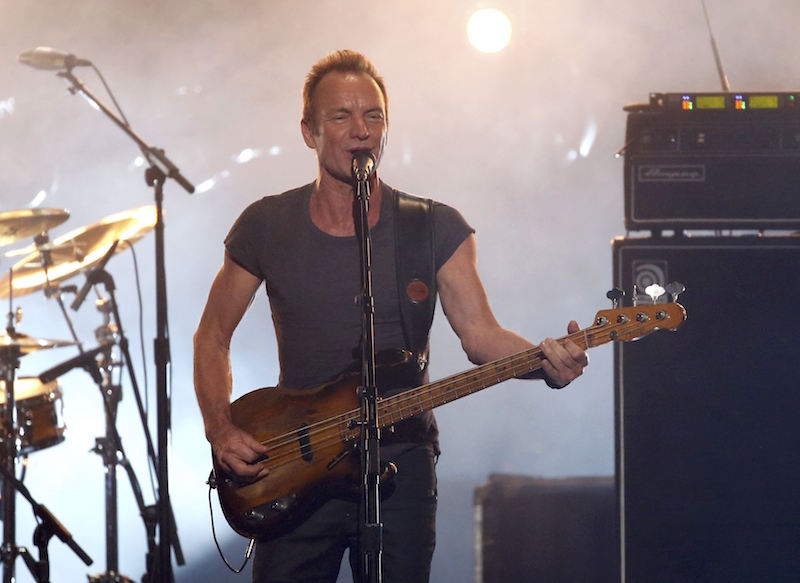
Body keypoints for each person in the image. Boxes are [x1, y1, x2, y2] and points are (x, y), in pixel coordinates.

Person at [193, 49, 589, 583]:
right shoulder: (266, 224)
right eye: (342, 116)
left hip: (399, 461)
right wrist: (219, 427)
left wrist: (544, 362)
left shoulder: (432, 227)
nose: (361, 130)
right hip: (293, 464)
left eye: (373, 115)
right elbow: (213, 337)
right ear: (309, 132)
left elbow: (480, 335)